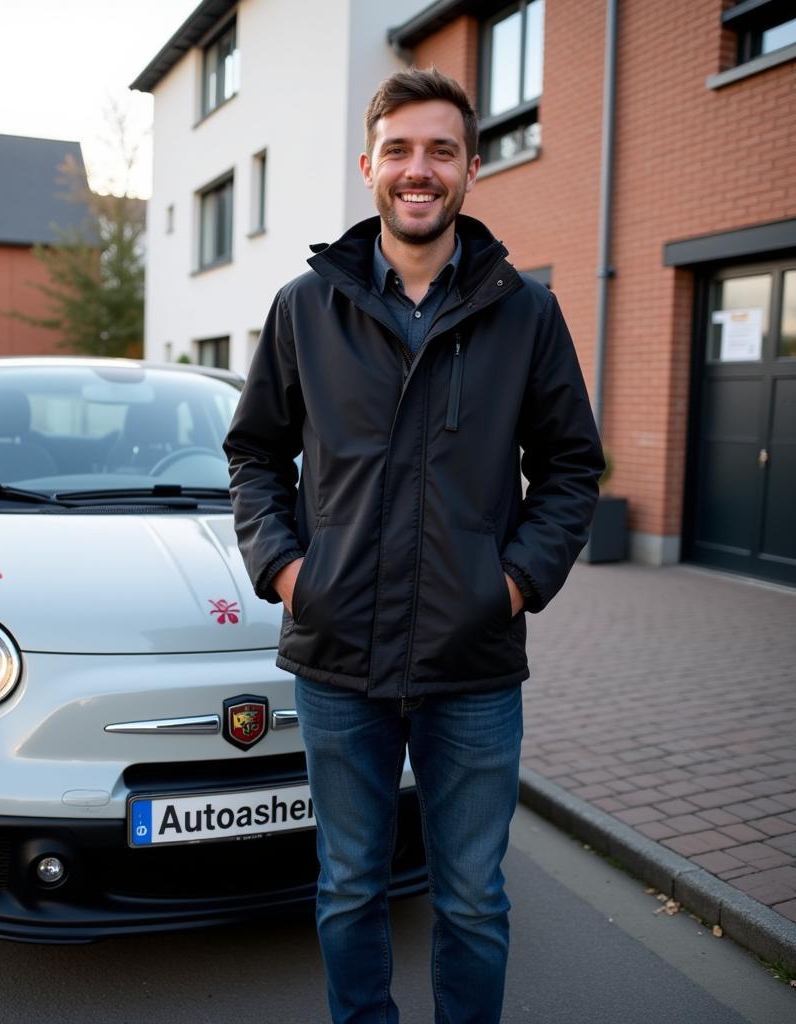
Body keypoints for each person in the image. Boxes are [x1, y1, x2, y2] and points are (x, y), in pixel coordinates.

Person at [223, 67, 604, 1024]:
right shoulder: (305, 308)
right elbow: (254, 453)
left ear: (473, 168)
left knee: (472, 899)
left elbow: (569, 469)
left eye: (441, 150)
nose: (418, 170)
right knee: (350, 886)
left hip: (472, 663)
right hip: (337, 658)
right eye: (399, 150)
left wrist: (511, 584)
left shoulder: (527, 312)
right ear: (368, 167)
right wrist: (287, 570)